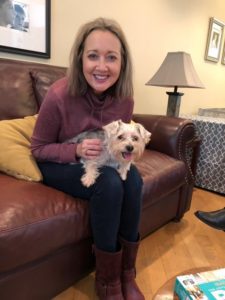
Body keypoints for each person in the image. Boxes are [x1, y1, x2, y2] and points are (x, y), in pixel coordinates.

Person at [31, 17, 145, 300]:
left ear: (122, 63)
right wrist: (76, 151)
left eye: (111, 57)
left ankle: (127, 272)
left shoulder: (125, 98)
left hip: (99, 162)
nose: (102, 66)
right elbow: (38, 149)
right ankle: (107, 282)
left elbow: (120, 147)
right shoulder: (58, 95)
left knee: (133, 178)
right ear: (81, 58)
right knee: (108, 181)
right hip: (57, 163)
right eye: (93, 55)